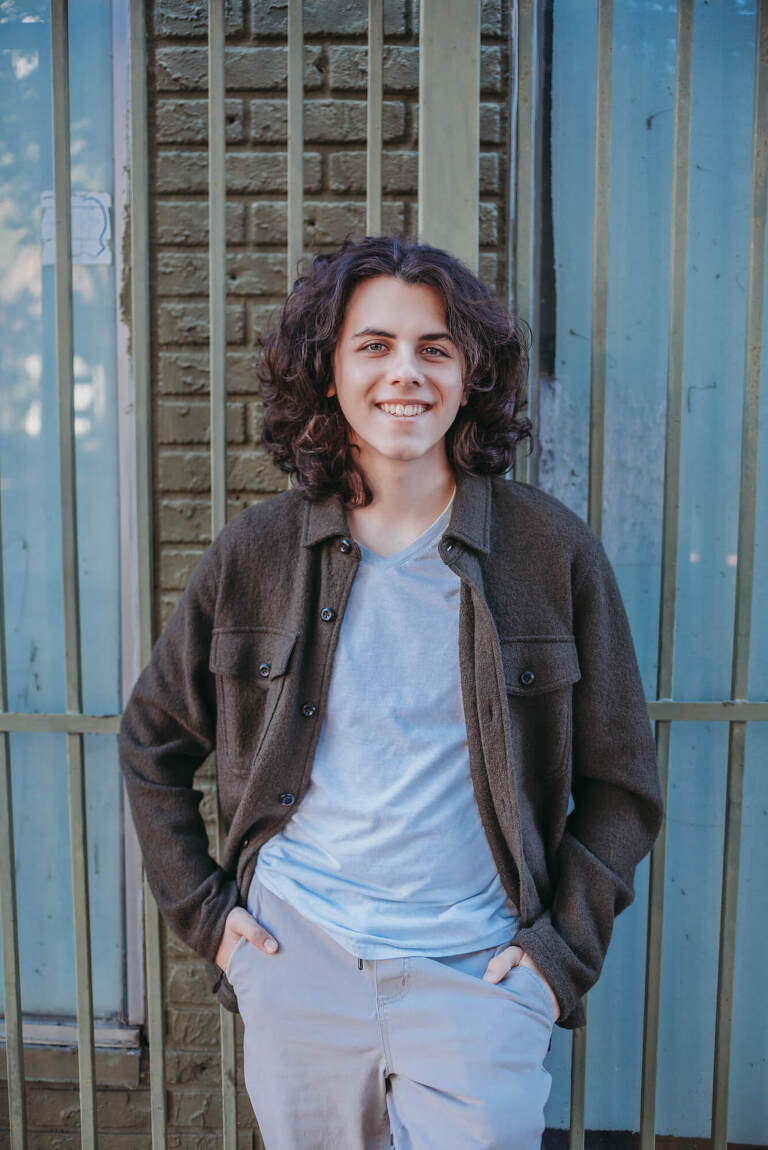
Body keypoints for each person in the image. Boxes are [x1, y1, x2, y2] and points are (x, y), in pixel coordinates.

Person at [119, 234, 663, 1149]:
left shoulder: (550, 553)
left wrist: (554, 958)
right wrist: (211, 922)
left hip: (481, 973)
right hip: (300, 957)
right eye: (373, 345)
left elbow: (621, 787)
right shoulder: (255, 553)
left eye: (434, 349)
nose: (404, 374)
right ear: (328, 373)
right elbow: (152, 740)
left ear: (468, 377)